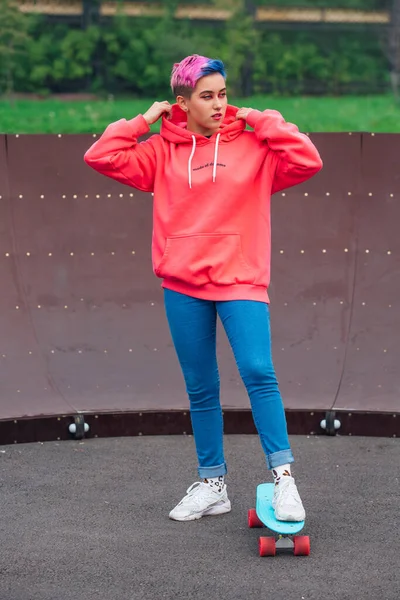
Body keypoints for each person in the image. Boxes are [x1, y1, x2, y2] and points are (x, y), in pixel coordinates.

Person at [84, 54, 323, 523]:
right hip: (182, 282)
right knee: (201, 387)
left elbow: (307, 158)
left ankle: (285, 480)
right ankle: (213, 484)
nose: (219, 105)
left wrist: (259, 118)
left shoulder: (256, 148)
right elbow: (101, 156)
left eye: (224, 94)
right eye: (207, 96)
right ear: (184, 102)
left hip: (240, 278)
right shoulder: (159, 152)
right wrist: (143, 121)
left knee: (258, 372)